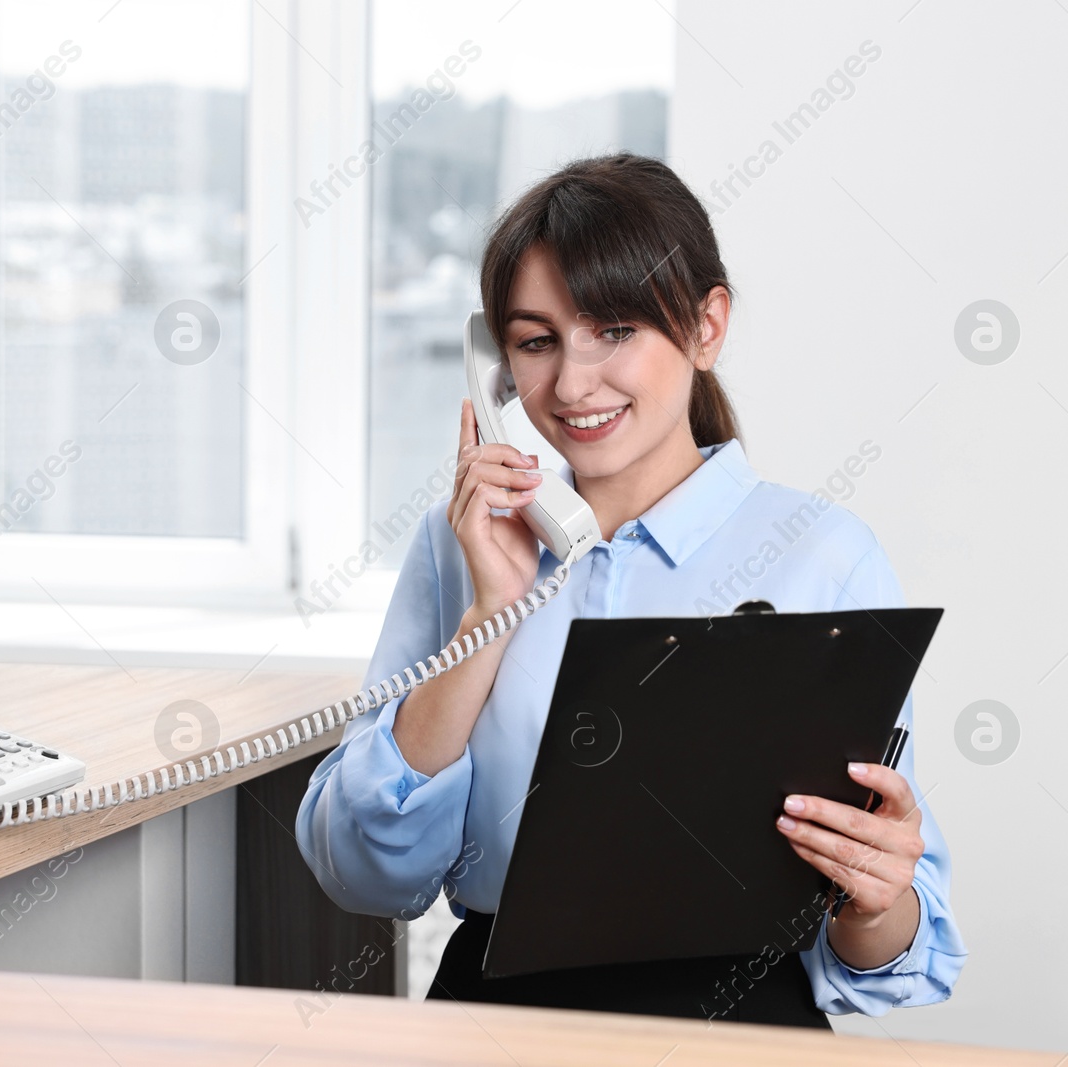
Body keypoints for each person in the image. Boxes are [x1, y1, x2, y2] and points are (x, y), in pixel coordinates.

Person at [294, 153, 966, 1028]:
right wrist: (489, 613)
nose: (572, 385)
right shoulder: (461, 542)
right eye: (535, 342)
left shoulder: (824, 556)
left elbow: (895, 957)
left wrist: (878, 898)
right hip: (497, 1018)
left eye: (614, 330)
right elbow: (361, 871)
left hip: (741, 1021)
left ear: (704, 326)